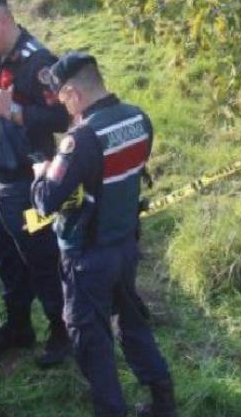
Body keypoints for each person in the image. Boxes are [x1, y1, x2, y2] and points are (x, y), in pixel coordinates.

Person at [31, 52, 177, 417]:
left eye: (62, 99)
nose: (63, 108)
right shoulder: (138, 118)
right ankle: (163, 402)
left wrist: (41, 173)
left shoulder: (80, 139)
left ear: (73, 93)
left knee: (91, 339)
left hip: (88, 257)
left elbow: (46, 202)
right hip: (125, 244)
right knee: (132, 322)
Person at [0, 0, 70, 367]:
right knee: (7, 258)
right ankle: (18, 327)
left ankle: (63, 332)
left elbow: (65, 117)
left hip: (30, 184)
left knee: (42, 258)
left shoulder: (37, 63)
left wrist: (18, 112)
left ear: (5, 21)